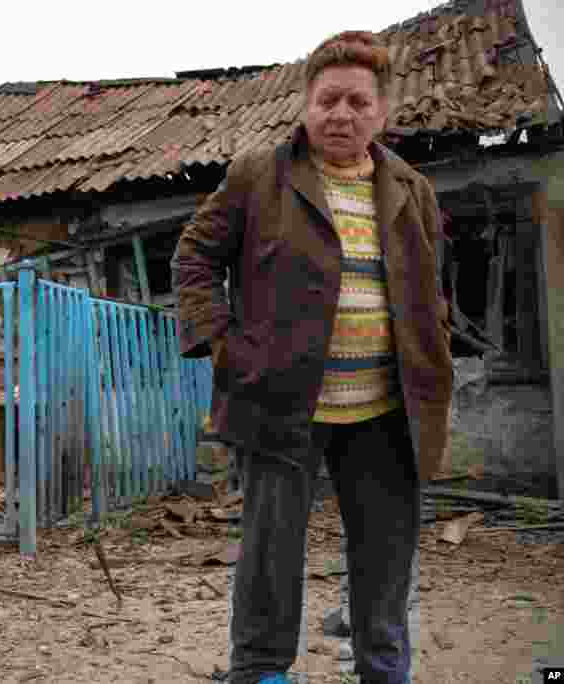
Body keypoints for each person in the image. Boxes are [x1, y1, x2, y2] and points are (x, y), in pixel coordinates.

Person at [171, 31, 453, 684]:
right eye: (328, 100)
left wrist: (430, 337)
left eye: (358, 102)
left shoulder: (413, 189)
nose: (341, 114)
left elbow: (430, 285)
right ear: (306, 105)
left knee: (385, 560)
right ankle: (262, 673)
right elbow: (194, 253)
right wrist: (221, 341)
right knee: (270, 559)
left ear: (382, 112)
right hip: (281, 403)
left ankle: (384, 672)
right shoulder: (258, 175)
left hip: (387, 409)